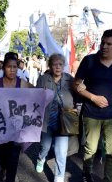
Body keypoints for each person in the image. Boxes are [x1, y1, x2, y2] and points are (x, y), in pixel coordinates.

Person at [73, 29, 112, 182]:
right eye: (103, 42)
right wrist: (93, 97)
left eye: (109, 44)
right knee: (90, 149)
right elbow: (76, 84)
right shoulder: (89, 60)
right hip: (91, 114)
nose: (104, 46)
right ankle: (86, 174)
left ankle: (108, 179)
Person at [0, 52, 33, 182]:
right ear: (4, 68)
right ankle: (4, 168)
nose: (12, 70)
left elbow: (36, 94)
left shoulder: (23, 84)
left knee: (13, 158)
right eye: (9, 67)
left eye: (15, 67)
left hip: (16, 129)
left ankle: (10, 175)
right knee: (1, 156)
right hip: (0, 127)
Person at [35, 53, 75, 182]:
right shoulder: (42, 79)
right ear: (50, 66)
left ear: (63, 66)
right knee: (44, 146)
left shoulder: (70, 80)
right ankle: (41, 158)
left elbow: (78, 95)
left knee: (61, 152)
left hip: (64, 121)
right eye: (54, 64)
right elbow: (35, 98)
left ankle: (58, 178)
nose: (57, 67)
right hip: (47, 121)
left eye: (60, 64)